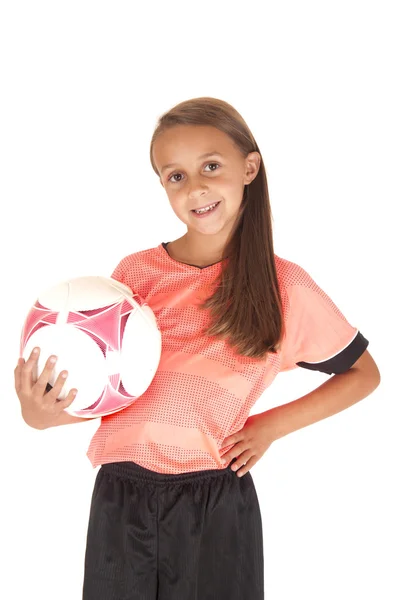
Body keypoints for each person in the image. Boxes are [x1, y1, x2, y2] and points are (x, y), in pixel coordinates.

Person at [15, 97, 381, 600]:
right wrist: (42, 414)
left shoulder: (284, 288)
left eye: (211, 166)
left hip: (215, 506)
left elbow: (363, 374)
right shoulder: (135, 275)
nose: (197, 187)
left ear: (249, 167)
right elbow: (120, 395)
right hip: (122, 501)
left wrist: (268, 427)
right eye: (176, 176)